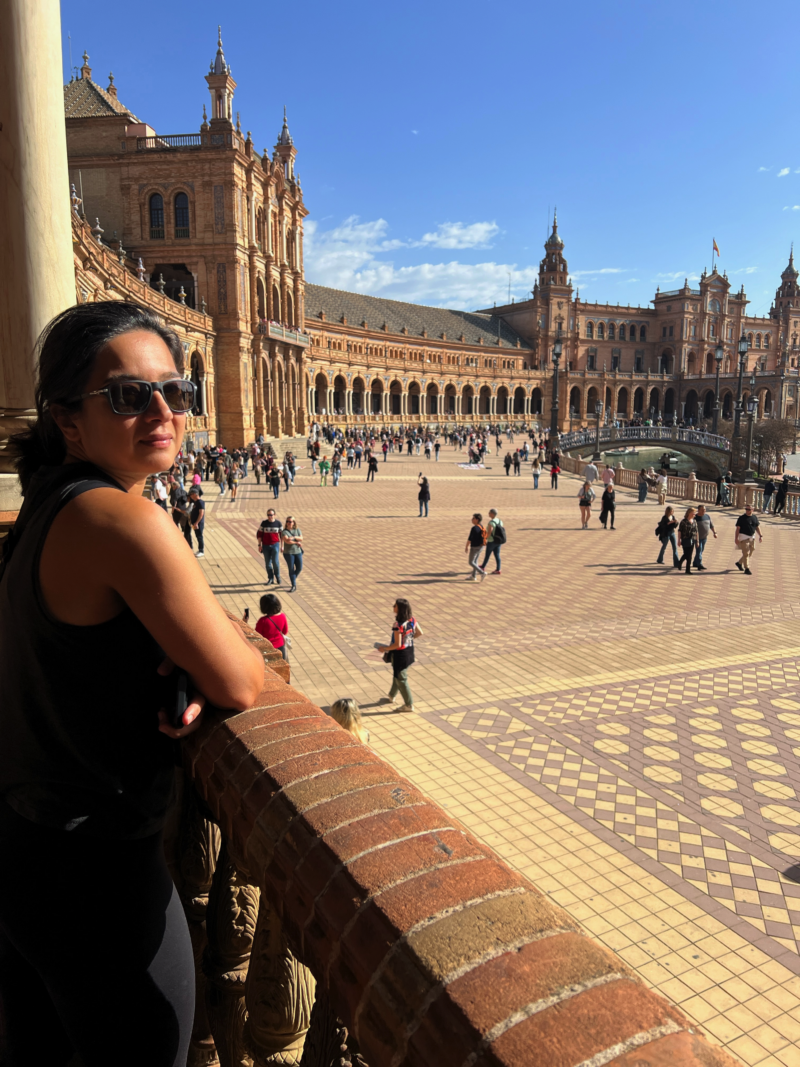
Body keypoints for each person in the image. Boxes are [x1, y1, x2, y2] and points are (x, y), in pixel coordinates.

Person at [0, 300, 263, 1067]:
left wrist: (175, 646)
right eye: (126, 394)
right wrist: (203, 651)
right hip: (95, 878)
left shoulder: (51, 504)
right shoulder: (122, 521)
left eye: (174, 392)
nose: (160, 410)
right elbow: (242, 680)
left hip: (24, 850)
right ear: (68, 419)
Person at [377, 598, 422, 713]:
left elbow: (397, 644)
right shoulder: (412, 620)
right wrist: (409, 639)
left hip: (399, 654)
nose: (393, 607)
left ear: (399, 609)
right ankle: (392, 695)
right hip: (409, 651)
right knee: (398, 674)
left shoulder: (398, 625)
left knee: (401, 678)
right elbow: (420, 633)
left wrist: (384, 649)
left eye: (395, 605)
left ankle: (408, 704)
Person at [254, 593, 289, 660]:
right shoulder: (283, 616)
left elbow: (257, 636)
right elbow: (285, 631)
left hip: (267, 648)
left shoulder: (263, 620)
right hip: (280, 647)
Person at [257, 508, 283, 585]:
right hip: (265, 546)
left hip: (275, 545)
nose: (270, 516)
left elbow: (282, 536)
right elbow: (259, 535)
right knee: (268, 563)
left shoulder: (278, 523)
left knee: (275, 562)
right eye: (268, 515)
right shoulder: (264, 523)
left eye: (271, 515)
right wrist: (259, 545)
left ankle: (277, 576)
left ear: (274, 515)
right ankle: (270, 578)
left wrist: (282, 546)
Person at [735, 503, 762, 575]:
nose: (747, 511)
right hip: (744, 537)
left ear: (752, 510)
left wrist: (760, 536)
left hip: (752, 537)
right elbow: (737, 529)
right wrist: (736, 538)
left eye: (749, 509)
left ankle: (739, 563)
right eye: (746, 509)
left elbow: (757, 527)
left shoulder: (754, 517)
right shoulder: (741, 518)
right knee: (746, 553)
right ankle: (747, 568)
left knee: (752, 550)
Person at [281, 515, 303, 592]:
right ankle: (293, 585)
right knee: (291, 569)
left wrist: (293, 538)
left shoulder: (297, 530)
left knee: (300, 568)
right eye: (287, 521)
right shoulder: (284, 531)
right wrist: (297, 541)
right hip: (288, 553)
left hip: (298, 552)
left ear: (294, 522)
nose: (288, 523)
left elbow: (301, 538)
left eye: (290, 521)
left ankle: (293, 578)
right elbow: (287, 541)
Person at [480, 508, 505, 574]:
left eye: (489, 513)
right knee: (497, 555)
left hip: (491, 541)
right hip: (498, 541)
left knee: (487, 554)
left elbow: (489, 532)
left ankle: (483, 567)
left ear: (492, 514)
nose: (488, 514)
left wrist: (485, 538)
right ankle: (498, 569)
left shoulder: (491, 523)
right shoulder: (500, 521)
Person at [465, 513, 487, 581]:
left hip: (474, 547)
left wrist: (466, 546)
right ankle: (473, 576)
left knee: (471, 562)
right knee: (475, 561)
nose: (472, 519)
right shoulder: (481, 526)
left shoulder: (474, 528)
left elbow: (470, 539)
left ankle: (482, 572)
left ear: (477, 520)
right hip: (481, 546)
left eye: (473, 518)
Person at [677, 507, 699, 574]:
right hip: (685, 539)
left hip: (692, 540)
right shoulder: (683, 521)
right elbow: (679, 531)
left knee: (690, 555)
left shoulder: (694, 521)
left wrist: (697, 541)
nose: (694, 514)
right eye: (693, 513)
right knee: (686, 554)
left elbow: (696, 531)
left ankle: (687, 570)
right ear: (689, 513)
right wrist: (679, 540)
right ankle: (680, 562)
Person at [694, 504, 716, 571]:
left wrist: (715, 532)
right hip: (697, 538)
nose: (704, 511)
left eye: (705, 510)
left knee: (701, 550)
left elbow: (711, 525)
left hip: (704, 537)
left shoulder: (707, 516)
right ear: (699, 510)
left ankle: (695, 562)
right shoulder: (695, 518)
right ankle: (699, 564)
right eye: (703, 510)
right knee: (699, 550)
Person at [189, 487, 205, 558]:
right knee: (197, 536)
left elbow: (201, 513)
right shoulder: (195, 502)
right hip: (195, 523)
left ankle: (201, 551)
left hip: (198, 523)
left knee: (199, 536)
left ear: (195, 494)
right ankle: (199, 550)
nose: (190, 496)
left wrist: (196, 523)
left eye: (191, 494)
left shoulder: (200, 502)